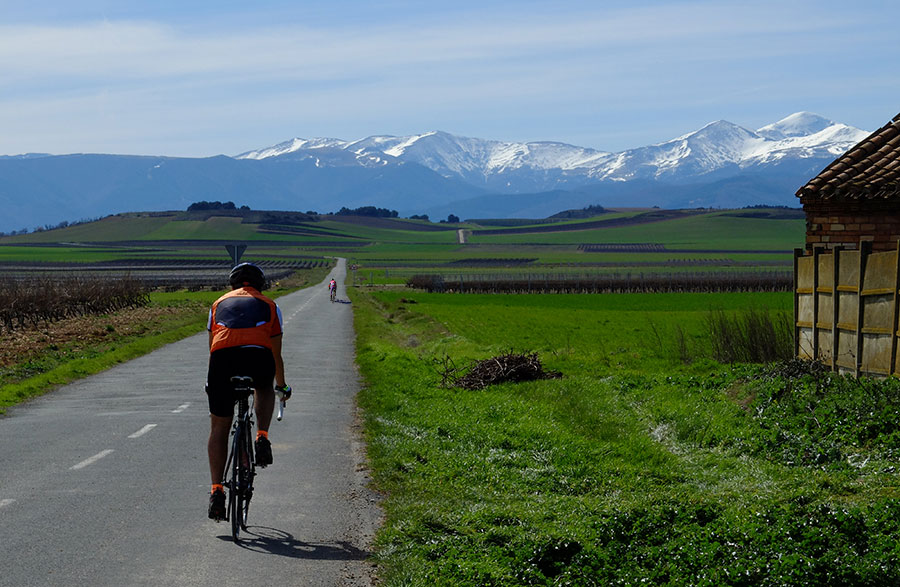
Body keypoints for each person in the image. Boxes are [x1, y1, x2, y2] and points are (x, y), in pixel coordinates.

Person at [206, 262, 291, 521]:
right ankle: (261, 437)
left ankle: (217, 491)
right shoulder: (270, 305)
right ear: (260, 285)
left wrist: (213, 383)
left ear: (233, 285)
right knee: (263, 387)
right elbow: (275, 354)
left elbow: (213, 347)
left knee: (219, 427)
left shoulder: (218, 304)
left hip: (222, 361)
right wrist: (281, 386)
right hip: (258, 357)